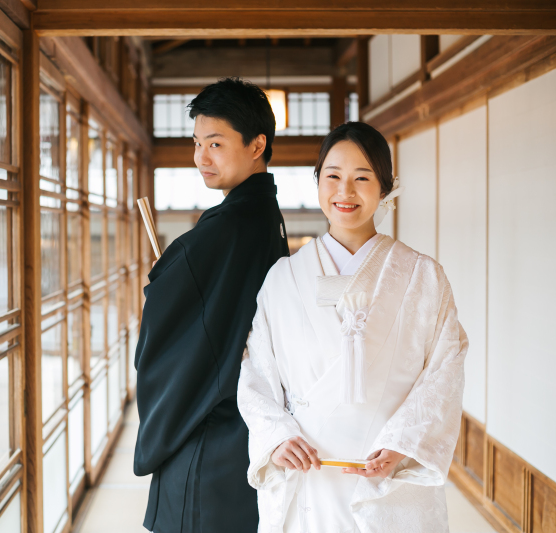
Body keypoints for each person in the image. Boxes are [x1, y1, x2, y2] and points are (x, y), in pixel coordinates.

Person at [238, 122, 467, 533]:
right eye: (333, 177)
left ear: (385, 187)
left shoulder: (423, 277)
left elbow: (446, 367)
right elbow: (256, 372)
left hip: (385, 470)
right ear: (318, 182)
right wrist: (276, 437)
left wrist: (402, 445)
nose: (345, 192)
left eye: (362, 178)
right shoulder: (283, 278)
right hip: (307, 472)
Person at [134, 78, 289, 533]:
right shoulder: (260, 214)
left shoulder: (234, 225)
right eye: (197, 143)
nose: (202, 157)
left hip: (209, 430)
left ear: (257, 144)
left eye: (216, 143)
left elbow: (178, 317)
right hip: (237, 425)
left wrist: (167, 280)